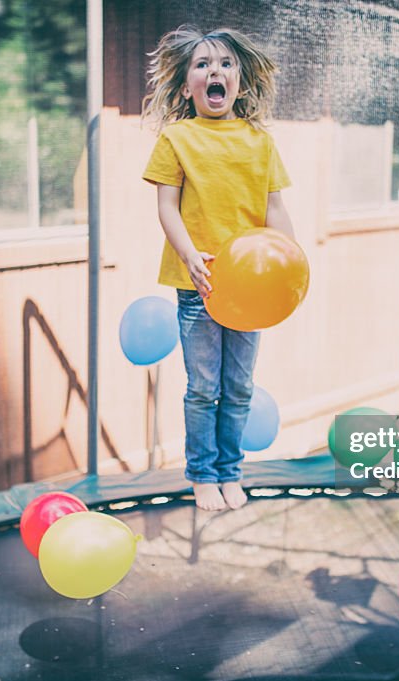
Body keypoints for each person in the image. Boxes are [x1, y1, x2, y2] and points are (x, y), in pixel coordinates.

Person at [141, 25, 295, 511]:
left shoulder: (259, 142)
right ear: (187, 86)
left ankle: (231, 472)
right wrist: (189, 254)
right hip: (200, 283)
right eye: (202, 65)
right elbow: (167, 206)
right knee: (204, 387)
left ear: (241, 82)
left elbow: (274, 210)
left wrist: (290, 260)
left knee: (239, 386)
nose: (215, 72)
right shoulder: (177, 137)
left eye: (225, 64)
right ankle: (202, 474)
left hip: (249, 289)